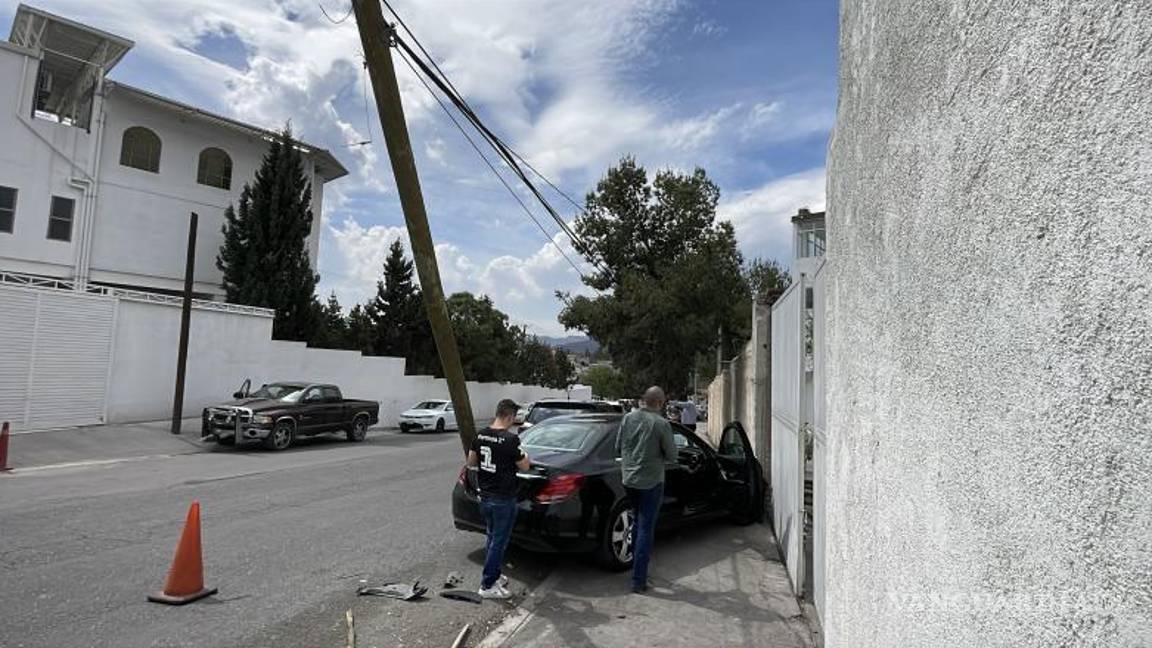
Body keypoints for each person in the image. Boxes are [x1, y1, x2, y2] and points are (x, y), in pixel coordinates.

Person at [615, 386, 677, 593]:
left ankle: (635, 569)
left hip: (628, 479)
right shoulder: (661, 424)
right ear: (660, 402)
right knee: (645, 528)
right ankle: (638, 580)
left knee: (635, 521)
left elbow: (618, 447)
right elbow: (672, 456)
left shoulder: (628, 419)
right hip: (651, 482)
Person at [467, 399, 530, 600]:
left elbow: (471, 462)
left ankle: (493, 574)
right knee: (499, 542)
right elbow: (525, 466)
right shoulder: (511, 440)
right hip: (503, 498)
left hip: (485, 496)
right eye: (514, 418)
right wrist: (524, 454)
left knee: (492, 537)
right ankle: (487, 584)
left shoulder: (481, 434)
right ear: (510, 416)